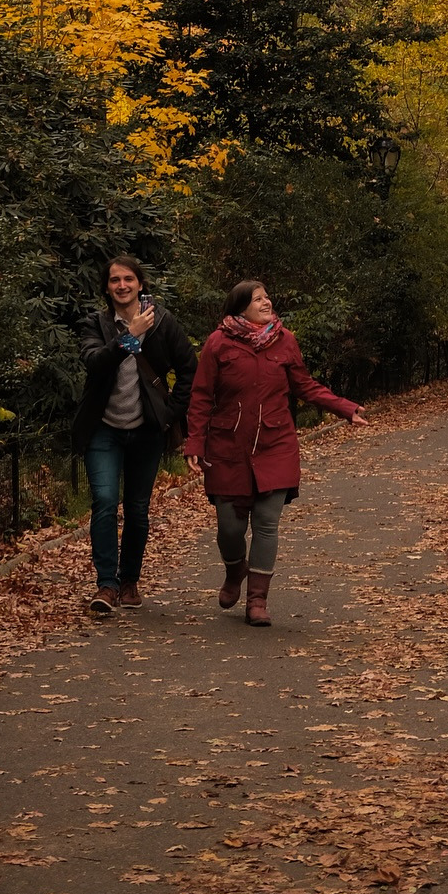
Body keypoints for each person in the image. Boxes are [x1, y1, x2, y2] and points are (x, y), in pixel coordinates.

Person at [183, 280, 369, 626]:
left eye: (267, 296)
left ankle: (257, 601)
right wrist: (195, 442)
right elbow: (201, 396)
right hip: (228, 448)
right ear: (240, 307)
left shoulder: (284, 340)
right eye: (258, 299)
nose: (267, 302)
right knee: (229, 528)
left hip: (275, 444)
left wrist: (344, 408)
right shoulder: (218, 343)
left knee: (267, 523)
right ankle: (235, 569)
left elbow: (304, 386)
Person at [73, 255, 198, 615]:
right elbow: (95, 363)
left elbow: (190, 368)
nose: (122, 285)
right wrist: (130, 336)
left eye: (129, 279)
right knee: (106, 502)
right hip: (104, 430)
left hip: (147, 430)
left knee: (138, 507)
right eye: (115, 280)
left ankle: (129, 581)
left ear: (141, 284)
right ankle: (106, 586)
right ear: (107, 287)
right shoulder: (95, 324)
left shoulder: (163, 323)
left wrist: (171, 411)